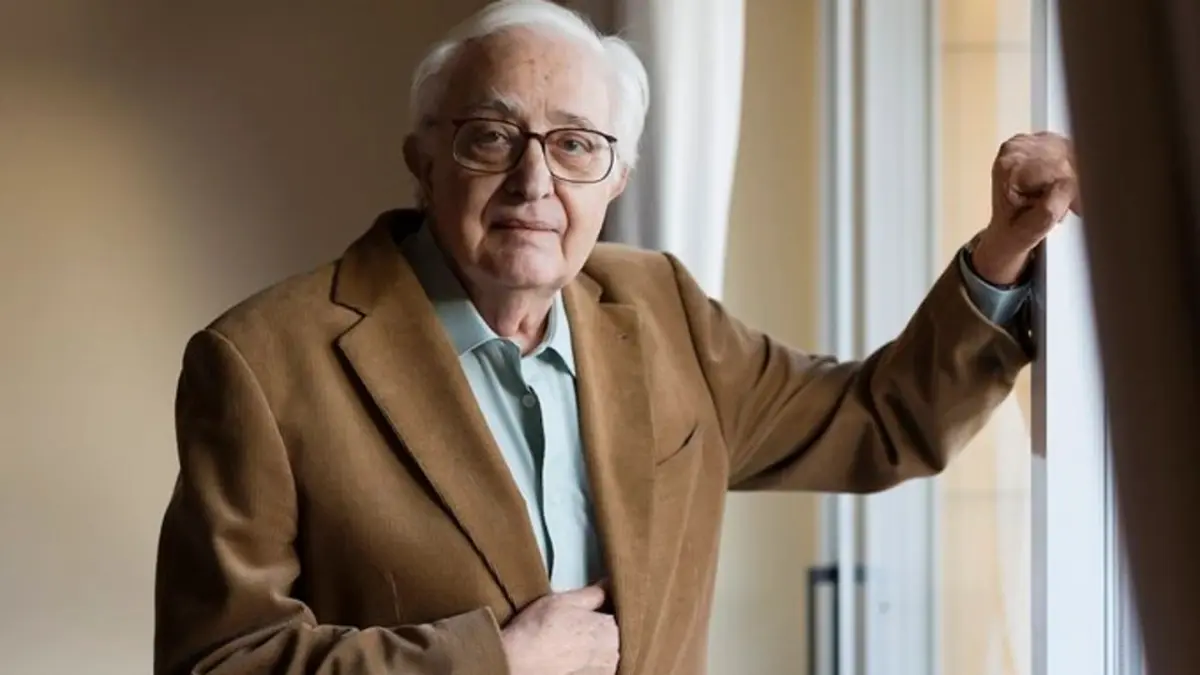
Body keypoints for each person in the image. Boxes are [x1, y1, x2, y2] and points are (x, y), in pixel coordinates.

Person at [152, 1, 1080, 674]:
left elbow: (879, 418)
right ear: (424, 162)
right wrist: (491, 662)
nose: (535, 183)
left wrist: (1006, 249)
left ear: (617, 177)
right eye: (491, 137)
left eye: (575, 145)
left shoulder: (660, 306)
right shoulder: (263, 363)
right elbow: (219, 660)